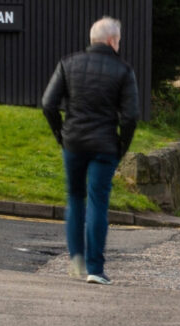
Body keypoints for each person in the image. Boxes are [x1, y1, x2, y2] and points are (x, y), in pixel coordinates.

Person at [42, 16, 140, 285]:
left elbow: (48, 104)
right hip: (105, 145)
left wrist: (61, 135)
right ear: (111, 41)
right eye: (118, 40)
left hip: (73, 142)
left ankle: (76, 258)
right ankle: (95, 269)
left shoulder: (68, 63)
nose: (119, 45)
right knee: (98, 201)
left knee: (75, 197)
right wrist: (121, 146)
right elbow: (131, 117)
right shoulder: (123, 70)